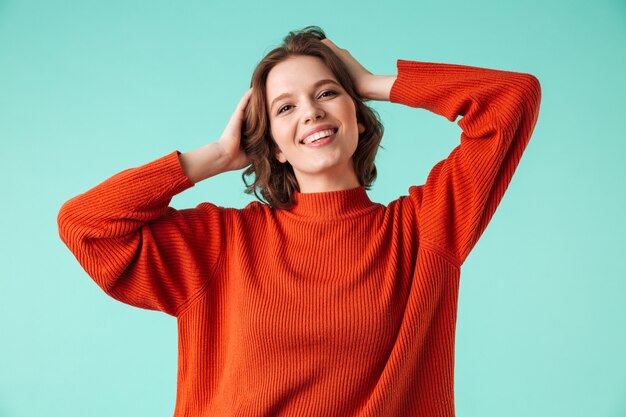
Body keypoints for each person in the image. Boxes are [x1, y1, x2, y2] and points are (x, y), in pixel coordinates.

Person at [58, 26, 541, 416]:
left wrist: (374, 82)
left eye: (328, 92)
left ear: (357, 114)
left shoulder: (423, 230)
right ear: (271, 144)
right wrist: (217, 156)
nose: (311, 112)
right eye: (286, 107)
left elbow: (512, 99)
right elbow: (86, 225)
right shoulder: (225, 242)